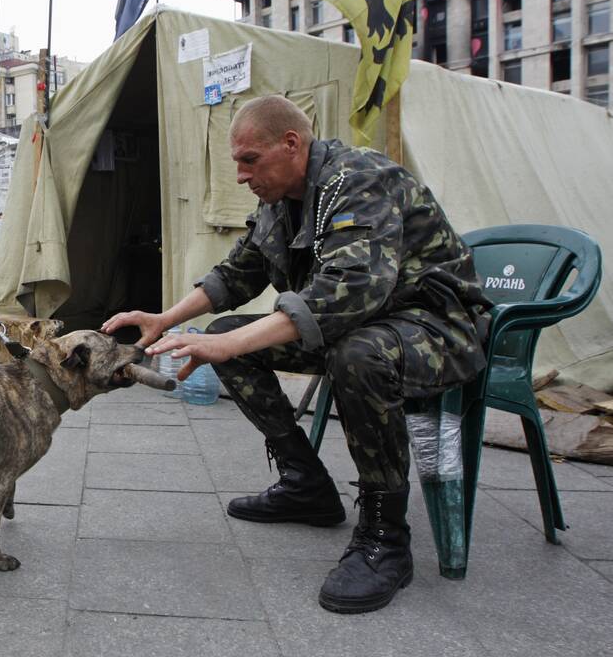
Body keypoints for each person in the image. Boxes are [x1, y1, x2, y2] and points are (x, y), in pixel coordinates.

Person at [102, 95, 490, 614]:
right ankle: (306, 484)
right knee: (229, 340)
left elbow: (350, 290)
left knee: (355, 354)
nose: (241, 175)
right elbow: (237, 272)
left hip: (438, 330)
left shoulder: (361, 180)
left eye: (249, 160)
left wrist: (227, 342)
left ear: (291, 144)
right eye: (237, 161)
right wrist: (165, 320)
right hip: (366, 326)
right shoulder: (279, 200)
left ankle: (386, 537)